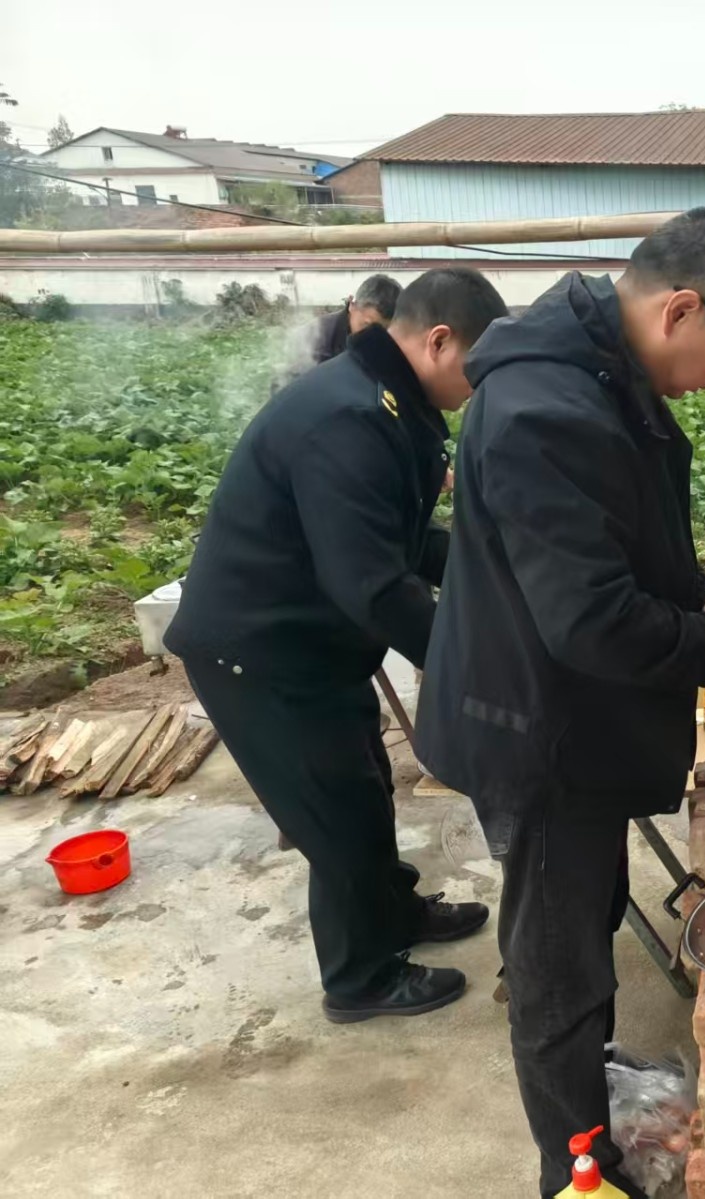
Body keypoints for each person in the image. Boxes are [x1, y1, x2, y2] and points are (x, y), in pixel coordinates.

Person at [415, 207, 705, 1198]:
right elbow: (586, 617)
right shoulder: (545, 406)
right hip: (535, 733)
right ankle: (575, 1168)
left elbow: (615, 541)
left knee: (580, 926)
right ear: (682, 310)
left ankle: (586, 1099)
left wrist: (697, 595)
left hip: (570, 714)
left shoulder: (599, 373)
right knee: (558, 966)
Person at [165, 266, 511, 1024]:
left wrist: (497, 566)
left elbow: (402, 538)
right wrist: (474, 664)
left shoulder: (386, 404)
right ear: (438, 341)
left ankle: (394, 912)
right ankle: (360, 978)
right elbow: (374, 586)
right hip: (261, 652)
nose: (480, 384)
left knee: (363, 783)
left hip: (313, 641)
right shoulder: (349, 420)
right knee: (336, 812)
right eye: (478, 364)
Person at [276, 273, 402, 388]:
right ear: (352, 305)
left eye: (384, 330)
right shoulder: (317, 341)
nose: (375, 337)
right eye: (367, 326)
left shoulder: (395, 338)